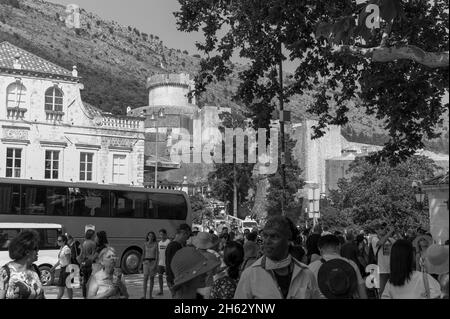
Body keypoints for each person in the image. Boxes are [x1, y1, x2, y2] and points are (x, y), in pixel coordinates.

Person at [234, 216, 320, 299]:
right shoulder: (250, 275)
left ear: (288, 240)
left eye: (274, 236)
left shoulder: (306, 274)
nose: (267, 241)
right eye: (265, 235)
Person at [308, 235, 367, 299]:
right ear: (339, 246)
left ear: (319, 248)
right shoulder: (350, 264)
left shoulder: (311, 267)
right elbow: (361, 287)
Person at [0, 230, 45, 299]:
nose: (38, 251)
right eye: (35, 248)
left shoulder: (35, 269)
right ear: (27, 251)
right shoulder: (6, 271)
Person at [192, 232, 221, 299]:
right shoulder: (213, 256)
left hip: (194, 286)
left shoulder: (192, 255)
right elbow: (214, 272)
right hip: (208, 286)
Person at [165, 224, 191, 296]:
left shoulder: (174, 245)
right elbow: (176, 265)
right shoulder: (175, 246)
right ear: (183, 233)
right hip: (176, 280)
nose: (187, 239)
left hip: (173, 279)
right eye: (187, 236)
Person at [370, 223, 395, 294]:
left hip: (391, 269)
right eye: (381, 228)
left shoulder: (390, 239)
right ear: (376, 230)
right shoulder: (374, 239)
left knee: (392, 291)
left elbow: (402, 243)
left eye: (384, 228)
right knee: (382, 291)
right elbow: (381, 243)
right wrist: (390, 232)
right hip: (380, 270)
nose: (384, 229)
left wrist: (396, 232)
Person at [50, 234, 73, 299]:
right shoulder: (62, 248)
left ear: (64, 241)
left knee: (65, 287)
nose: (58, 242)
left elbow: (69, 261)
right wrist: (53, 267)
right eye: (57, 240)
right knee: (66, 287)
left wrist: (70, 271)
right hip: (63, 269)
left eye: (60, 241)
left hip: (66, 269)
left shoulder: (66, 249)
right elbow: (60, 261)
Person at [77, 229, 97, 298]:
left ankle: (84, 295)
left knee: (85, 281)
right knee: (90, 281)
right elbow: (93, 255)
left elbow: (82, 254)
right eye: (94, 235)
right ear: (91, 235)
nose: (95, 236)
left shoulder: (84, 243)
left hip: (84, 263)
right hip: (90, 263)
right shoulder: (93, 243)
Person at [141, 231, 158, 299]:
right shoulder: (145, 244)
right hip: (146, 262)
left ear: (154, 237)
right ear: (147, 236)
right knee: (145, 278)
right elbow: (143, 254)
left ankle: (150, 296)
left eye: (152, 236)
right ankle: (144, 296)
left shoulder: (156, 244)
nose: (151, 237)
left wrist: (155, 264)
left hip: (153, 262)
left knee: (151, 278)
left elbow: (157, 255)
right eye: (149, 236)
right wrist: (141, 264)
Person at [156, 228, 170, 296]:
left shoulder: (168, 242)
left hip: (167, 263)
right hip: (160, 263)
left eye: (162, 234)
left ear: (165, 235)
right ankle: (161, 291)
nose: (161, 236)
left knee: (168, 278)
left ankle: (172, 290)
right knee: (160, 277)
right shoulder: (159, 243)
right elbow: (159, 253)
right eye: (160, 234)